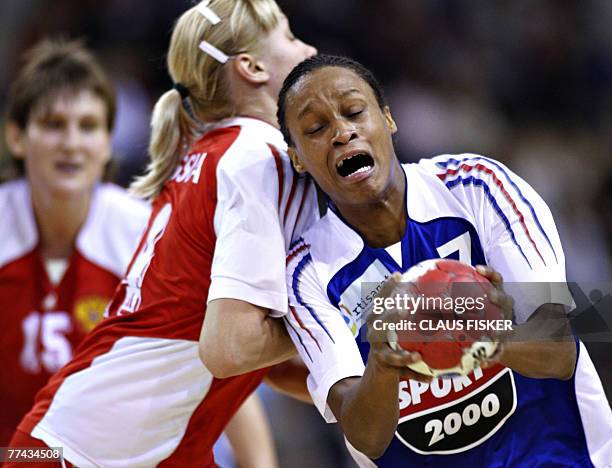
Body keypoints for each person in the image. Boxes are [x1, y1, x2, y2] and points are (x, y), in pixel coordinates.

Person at [9, 1, 317, 466]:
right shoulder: (256, 155)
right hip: (82, 451)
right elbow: (232, 345)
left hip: (121, 443)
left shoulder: (218, 154)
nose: (309, 48)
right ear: (250, 68)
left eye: (88, 127)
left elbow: (254, 355)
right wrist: (355, 311)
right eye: (291, 37)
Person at [277, 54, 612, 467]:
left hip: (560, 456)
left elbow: (558, 350)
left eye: (354, 112)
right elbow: (364, 435)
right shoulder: (305, 274)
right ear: (296, 158)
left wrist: (479, 335)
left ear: (388, 119)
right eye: (316, 128)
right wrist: (384, 362)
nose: (342, 133)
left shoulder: (480, 187)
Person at [0, 38, 150, 446]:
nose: (71, 143)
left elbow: (200, 363)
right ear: (16, 137)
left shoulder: (143, 233)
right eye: (53, 125)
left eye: (87, 127)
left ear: (106, 143)